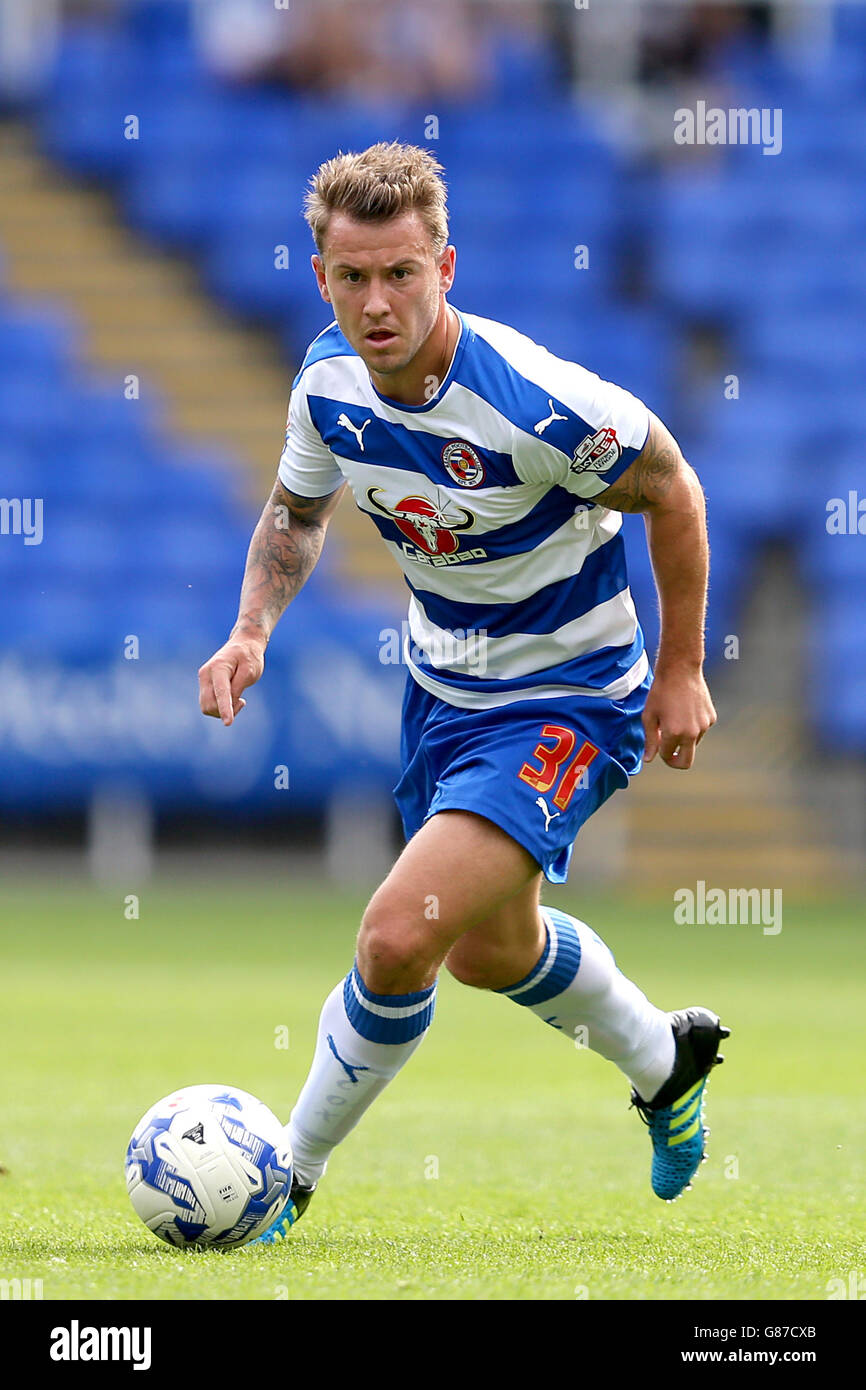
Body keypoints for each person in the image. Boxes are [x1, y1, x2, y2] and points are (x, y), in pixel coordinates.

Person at [197, 142, 728, 1241]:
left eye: (401, 274)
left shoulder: (534, 402)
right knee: (488, 950)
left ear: (447, 265)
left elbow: (671, 485)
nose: (376, 302)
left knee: (397, 936)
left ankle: (280, 1178)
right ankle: (662, 1060)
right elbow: (297, 515)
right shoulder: (326, 385)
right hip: (442, 689)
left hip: (568, 696)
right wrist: (251, 628)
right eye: (352, 278)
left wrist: (679, 669)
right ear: (320, 279)